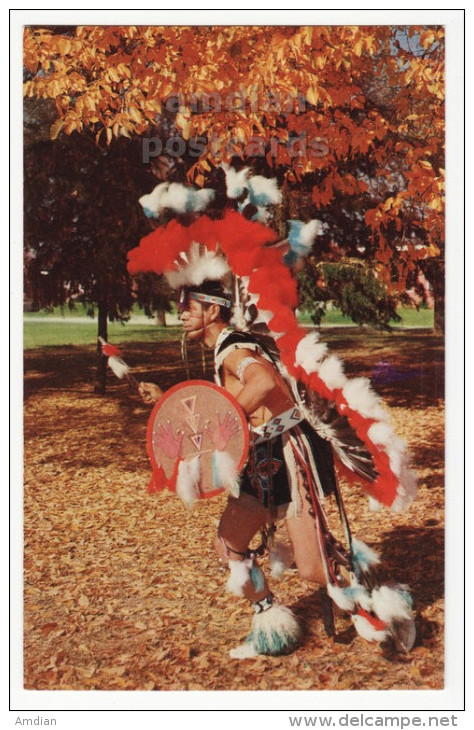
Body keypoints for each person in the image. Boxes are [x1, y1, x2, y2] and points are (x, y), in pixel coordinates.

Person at [138, 281, 385, 658]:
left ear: (212, 310)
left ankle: (376, 612)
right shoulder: (225, 348)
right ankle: (271, 626)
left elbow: (262, 381)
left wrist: (227, 423)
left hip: (286, 456)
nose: (181, 312)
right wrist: (165, 400)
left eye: (189, 305)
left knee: (312, 568)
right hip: (258, 460)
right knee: (229, 544)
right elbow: (221, 403)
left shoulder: (234, 347)